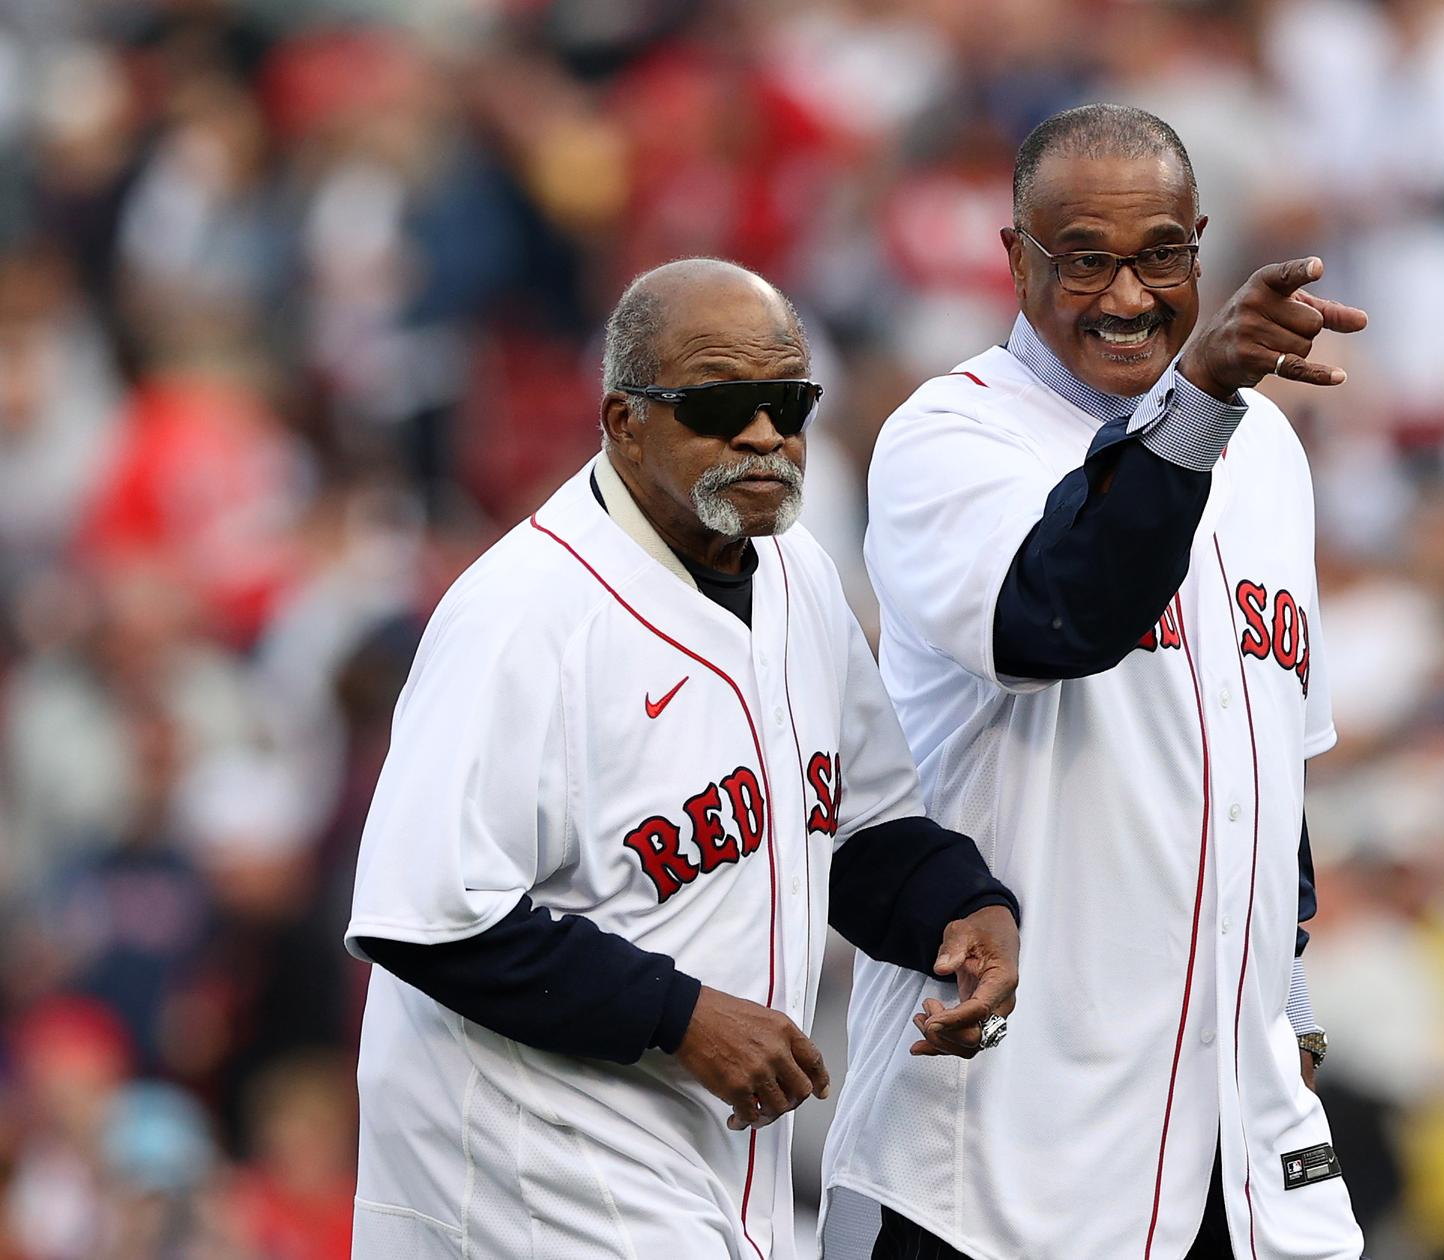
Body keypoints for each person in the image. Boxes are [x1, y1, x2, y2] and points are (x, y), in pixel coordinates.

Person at [345, 258, 1021, 1260]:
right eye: (718, 406)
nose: (762, 436)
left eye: (785, 404)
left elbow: (860, 830)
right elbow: (430, 918)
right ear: (625, 423)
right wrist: (684, 1017)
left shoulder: (796, 573)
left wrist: (963, 911)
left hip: (696, 1147)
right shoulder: (523, 611)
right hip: (529, 1154)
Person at [824, 104, 1368, 1259]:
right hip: (1012, 1149)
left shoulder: (1267, 450)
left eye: (1159, 256)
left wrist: (1289, 998)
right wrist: (1201, 399)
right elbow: (1060, 612)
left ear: (1201, 246)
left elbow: (1265, 761)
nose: (1127, 297)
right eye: (1085, 260)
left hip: (1237, 1143)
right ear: (1016, 258)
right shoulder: (950, 438)